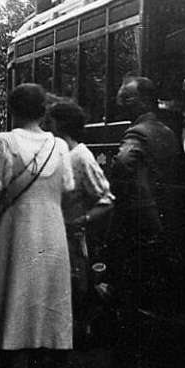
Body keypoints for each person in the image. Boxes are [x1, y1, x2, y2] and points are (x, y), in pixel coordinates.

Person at [0, 83, 75, 368]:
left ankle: (10, 361)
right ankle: (41, 358)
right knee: (46, 290)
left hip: (15, 225)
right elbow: (68, 188)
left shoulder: (4, 141)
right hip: (51, 227)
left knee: (13, 287)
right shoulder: (59, 146)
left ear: (12, 110)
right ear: (44, 111)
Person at [105, 76, 185, 368]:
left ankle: (124, 364)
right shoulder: (166, 131)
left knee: (126, 293)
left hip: (137, 224)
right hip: (166, 221)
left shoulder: (137, 134)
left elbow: (125, 167)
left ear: (139, 102)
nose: (120, 105)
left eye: (125, 99)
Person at [47, 100, 114, 345]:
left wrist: (83, 219)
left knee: (76, 292)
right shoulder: (58, 152)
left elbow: (106, 199)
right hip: (55, 235)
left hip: (72, 239)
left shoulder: (81, 157)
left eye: (50, 120)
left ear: (60, 123)